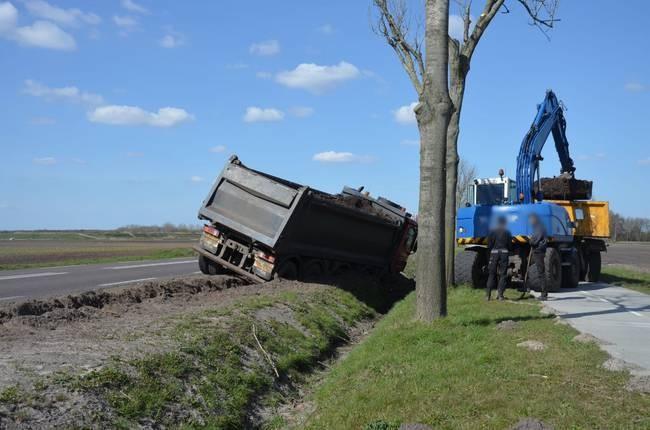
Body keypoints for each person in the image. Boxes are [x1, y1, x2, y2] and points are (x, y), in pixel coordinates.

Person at [486, 215, 512, 301]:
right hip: (504, 253)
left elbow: (489, 245)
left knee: (491, 274)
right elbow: (510, 245)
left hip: (494, 253)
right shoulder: (508, 232)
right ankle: (500, 295)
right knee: (503, 274)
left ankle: (488, 296)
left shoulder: (492, 231)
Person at [529, 213, 548, 300]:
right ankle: (544, 292)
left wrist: (530, 241)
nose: (530, 221)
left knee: (541, 273)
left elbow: (534, 240)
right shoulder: (539, 227)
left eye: (531, 219)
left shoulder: (538, 227)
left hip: (538, 251)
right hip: (539, 250)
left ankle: (544, 294)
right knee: (540, 272)